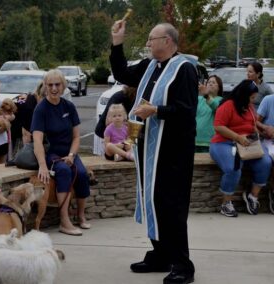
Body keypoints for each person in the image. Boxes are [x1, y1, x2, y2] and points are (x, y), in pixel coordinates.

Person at [110, 22, 197, 283]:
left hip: (173, 154)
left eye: (152, 39)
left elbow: (186, 111)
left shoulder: (185, 69)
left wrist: (156, 110)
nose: (148, 44)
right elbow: (122, 73)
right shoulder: (150, 66)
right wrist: (117, 42)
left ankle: (183, 265)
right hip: (148, 150)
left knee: (172, 207)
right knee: (152, 203)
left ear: (168, 41)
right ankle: (161, 255)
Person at [32, 69, 91, 236]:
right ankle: (64, 221)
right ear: (45, 86)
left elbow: (77, 137)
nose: (54, 88)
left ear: (63, 86)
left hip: (69, 152)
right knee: (64, 171)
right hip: (52, 154)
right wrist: (43, 165)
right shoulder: (41, 109)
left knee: (81, 173)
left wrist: (72, 155)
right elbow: (37, 140)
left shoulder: (69, 106)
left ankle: (80, 216)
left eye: (57, 84)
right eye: (50, 85)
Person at [210, 80, 272, 218]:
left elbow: (253, 122)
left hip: (247, 143)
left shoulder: (248, 106)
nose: (254, 100)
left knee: (265, 162)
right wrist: (238, 137)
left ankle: (252, 196)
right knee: (233, 168)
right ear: (243, 95)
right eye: (252, 97)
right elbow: (218, 127)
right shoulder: (228, 105)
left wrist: (261, 131)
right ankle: (226, 203)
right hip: (224, 143)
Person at [94, 85, 137, 155]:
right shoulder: (119, 97)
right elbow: (108, 120)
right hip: (105, 135)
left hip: (119, 140)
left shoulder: (131, 97)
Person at [255, 93, 274, 214]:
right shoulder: (268, 100)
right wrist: (266, 128)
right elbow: (254, 122)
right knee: (268, 160)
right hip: (266, 141)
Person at [195, 75, 223, 153]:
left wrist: (206, 96)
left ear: (219, 87)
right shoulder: (199, 99)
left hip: (209, 142)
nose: (210, 84)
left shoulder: (221, 100)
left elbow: (216, 107)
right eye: (209, 82)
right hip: (195, 139)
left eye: (213, 82)